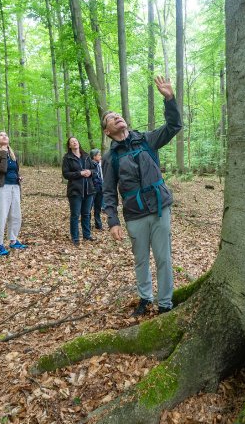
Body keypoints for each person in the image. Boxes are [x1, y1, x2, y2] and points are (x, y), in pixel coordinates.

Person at [101, 76, 182, 316]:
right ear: (108, 131)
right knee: (141, 260)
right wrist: (113, 221)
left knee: (164, 258)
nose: (117, 117)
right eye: (110, 118)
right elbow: (108, 191)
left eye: (118, 114)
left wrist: (169, 99)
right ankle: (145, 298)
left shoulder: (146, 140)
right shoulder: (110, 158)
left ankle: (166, 303)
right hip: (135, 214)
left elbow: (173, 127)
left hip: (159, 207)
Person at [0, 131, 27, 256]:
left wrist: (18, 177)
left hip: (14, 186)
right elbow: (2, 169)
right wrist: (3, 151)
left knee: (15, 215)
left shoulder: (12, 154)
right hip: (2, 187)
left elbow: (13, 170)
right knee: (1, 216)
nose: (4, 136)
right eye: (1, 135)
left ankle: (13, 240)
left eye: (6, 135)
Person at [62, 136, 96, 246]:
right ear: (69, 146)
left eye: (76, 141)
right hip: (75, 191)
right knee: (75, 215)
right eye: (72, 142)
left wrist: (90, 172)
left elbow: (94, 170)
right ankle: (75, 238)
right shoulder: (67, 158)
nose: (75, 143)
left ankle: (87, 235)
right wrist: (79, 173)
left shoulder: (86, 156)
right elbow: (66, 174)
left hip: (89, 190)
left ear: (78, 143)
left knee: (86, 214)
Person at [90, 149, 104, 230]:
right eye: (99, 155)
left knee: (98, 207)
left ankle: (98, 225)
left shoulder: (100, 164)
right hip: (93, 189)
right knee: (89, 208)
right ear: (94, 156)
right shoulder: (90, 164)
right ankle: (87, 225)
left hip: (100, 188)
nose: (100, 156)